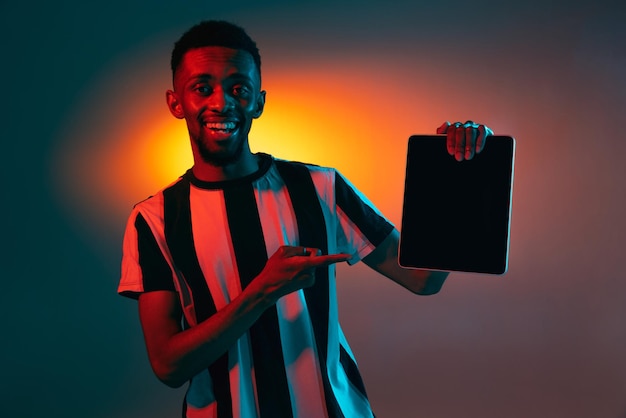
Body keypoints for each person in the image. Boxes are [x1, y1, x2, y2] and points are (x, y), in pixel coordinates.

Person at [118, 20, 493, 418]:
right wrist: (262, 291)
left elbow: (424, 278)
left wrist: (460, 176)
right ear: (176, 102)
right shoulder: (154, 219)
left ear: (258, 102)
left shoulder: (320, 188)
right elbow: (167, 365)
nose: (222, 102)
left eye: (238, 88)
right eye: (202, 88)